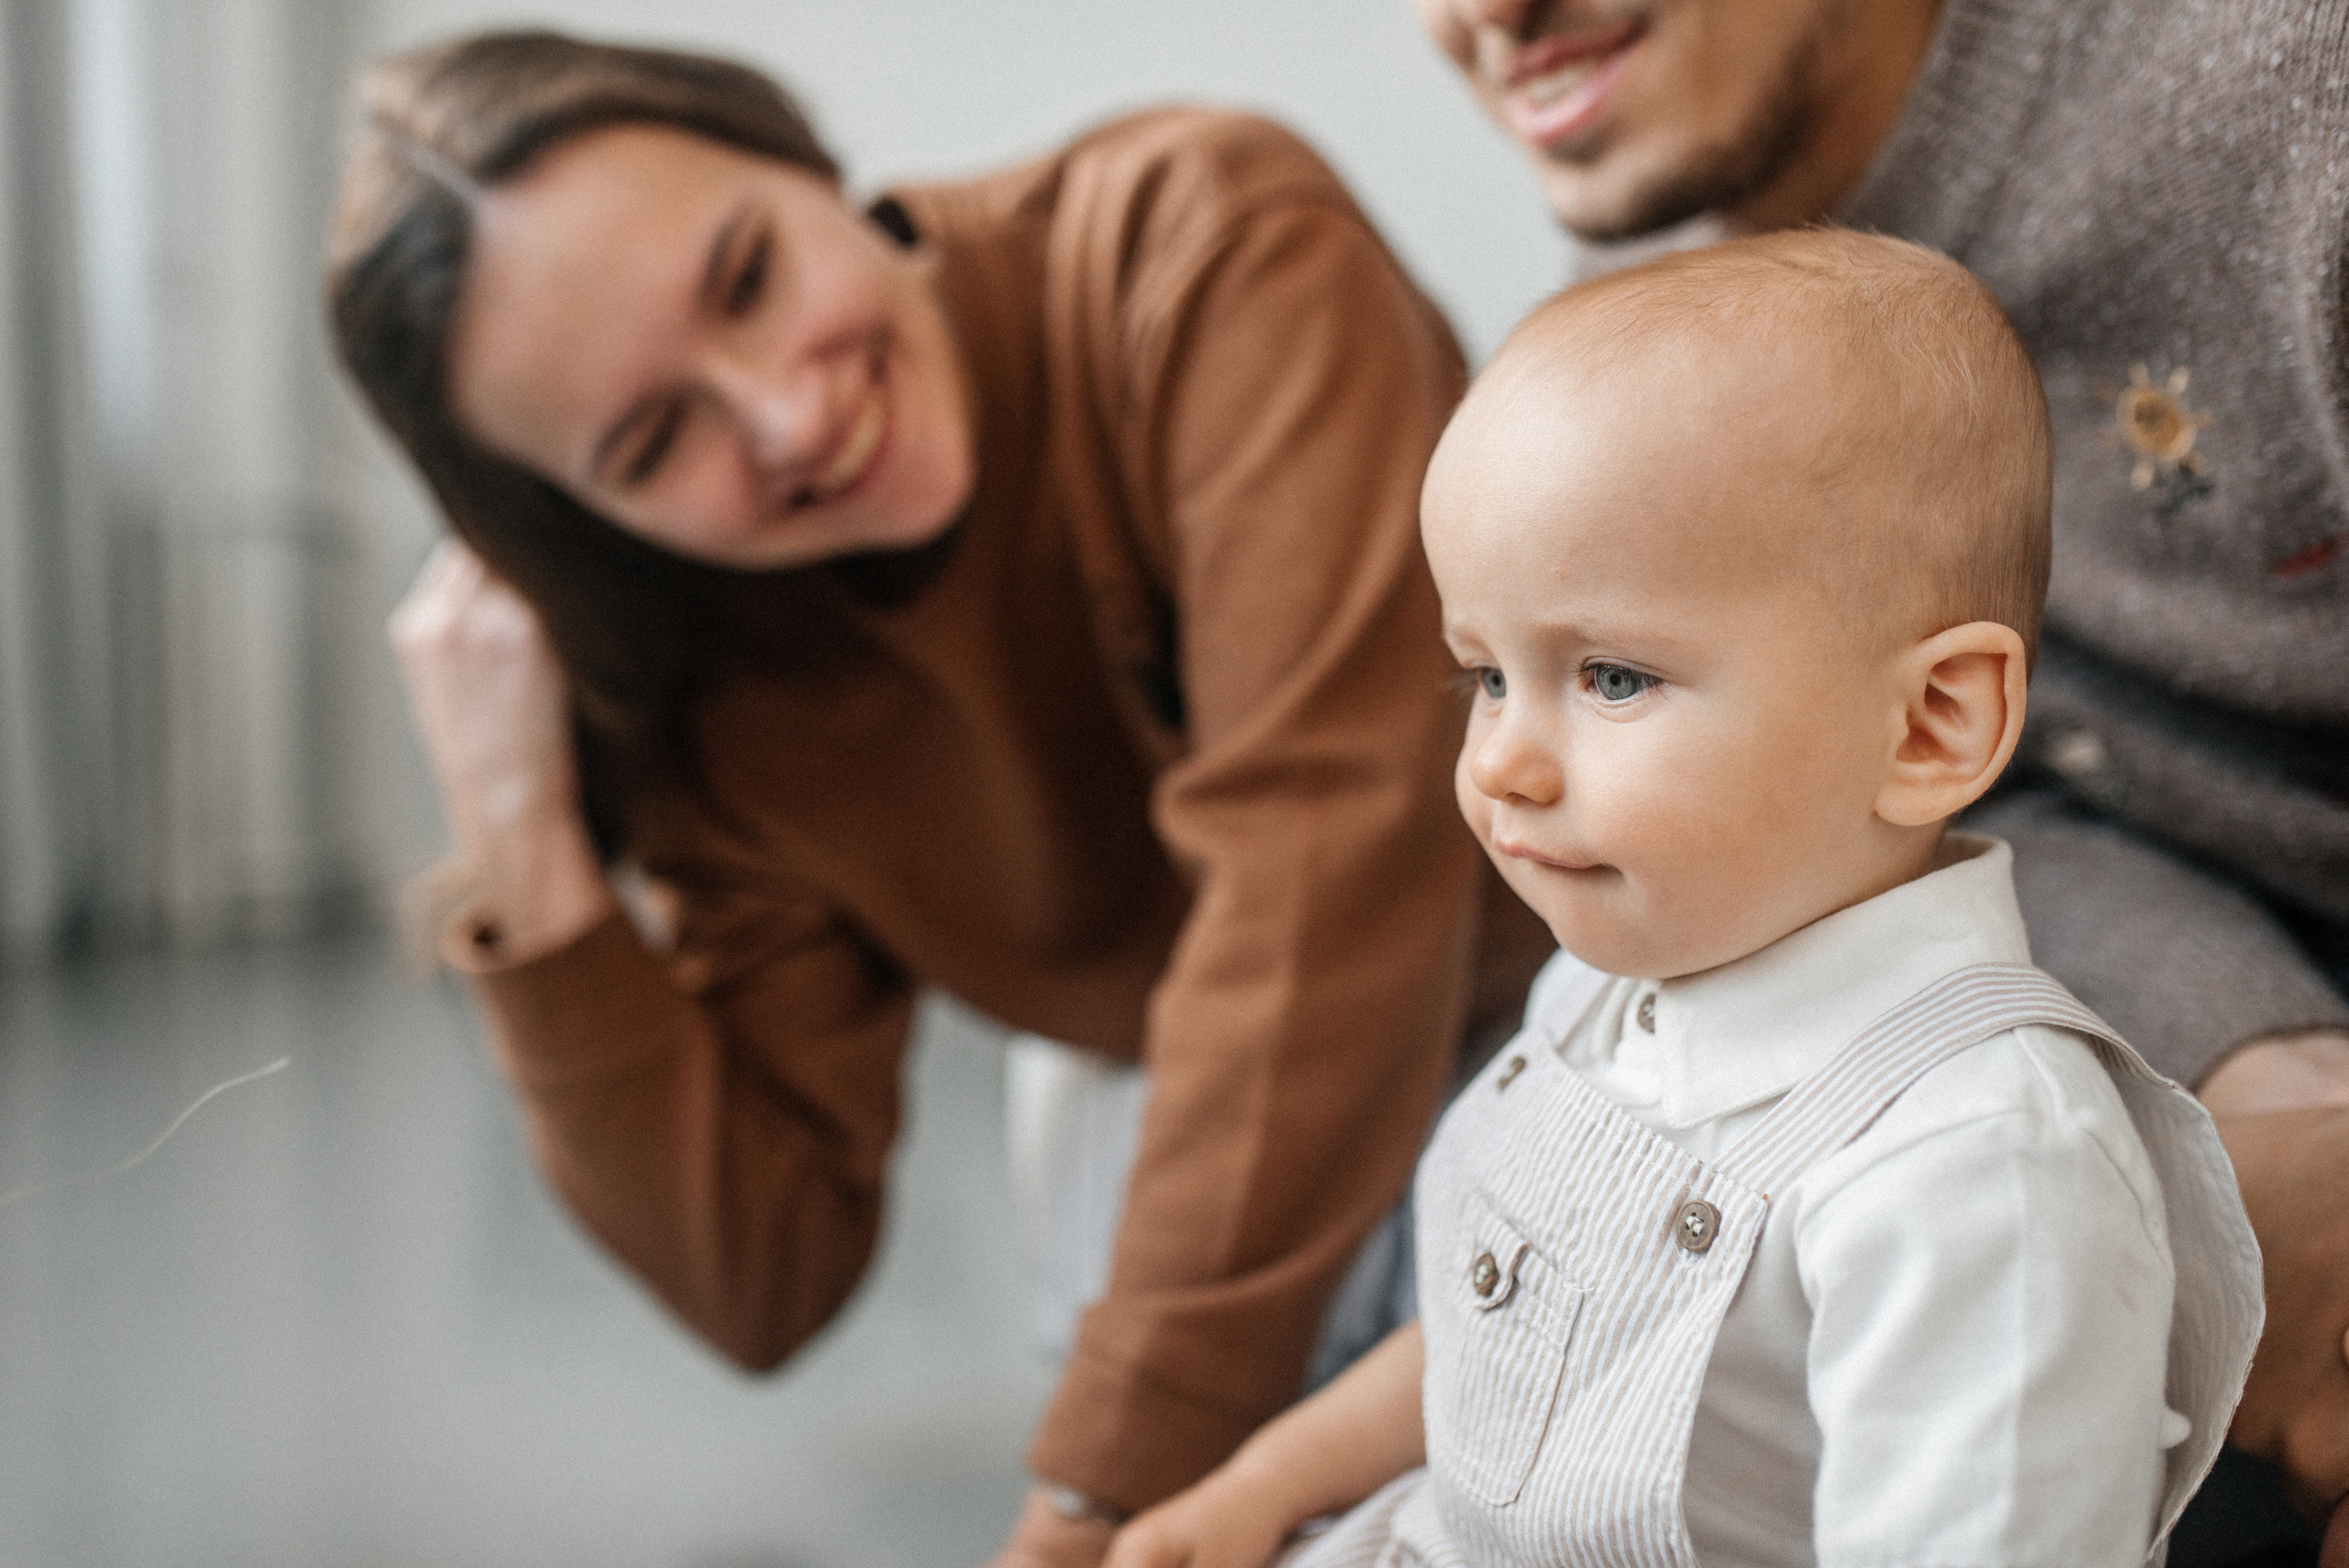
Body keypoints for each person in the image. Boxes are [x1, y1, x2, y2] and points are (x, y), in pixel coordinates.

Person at [325, 29, 1551, 1567]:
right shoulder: (718, 686)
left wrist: (1093, 1500)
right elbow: (761, 1272)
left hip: (1587, 1027)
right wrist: (524, 841)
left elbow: (1325, 883)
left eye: (749, 276)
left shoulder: (1205, 245)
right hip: (1205, 1134)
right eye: (651, 441)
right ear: (581, 525)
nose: (783, 417)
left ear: (792, 153)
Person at [1103, 229, 2263, 1568]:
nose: (1500, 763)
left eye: (1609, 677)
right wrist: (1263, 1483)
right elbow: (1529, 1330)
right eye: (1484, 675)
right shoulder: (1621, 967)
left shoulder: (1979, 1174)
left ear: (1930, 724)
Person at [1415, 0, 2349, 1554]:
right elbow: (2001, 786)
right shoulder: (1669, 310)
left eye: (1614, 678)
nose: (1487, 15)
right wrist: (2263, 1066)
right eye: (1479, 676)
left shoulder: (2290, 95)